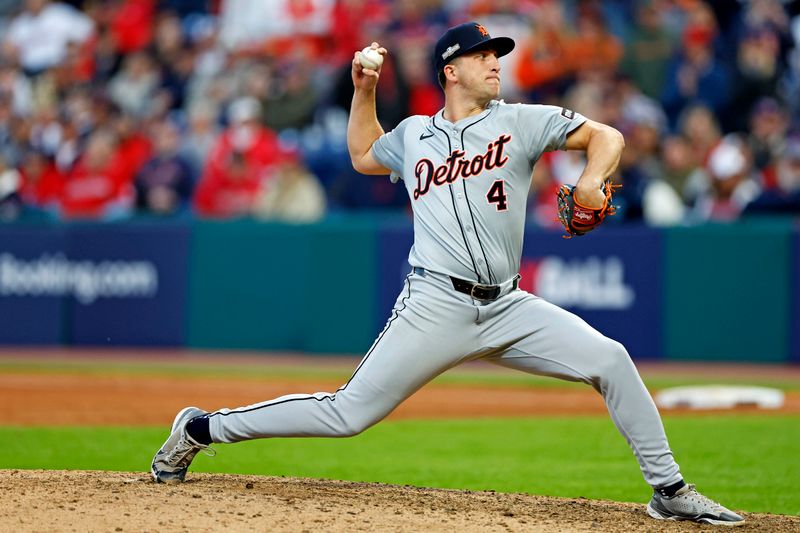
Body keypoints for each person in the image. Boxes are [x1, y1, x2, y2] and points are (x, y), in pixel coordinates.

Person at [151, 22, 744, 526]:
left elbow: (606, 136)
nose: (495, 64)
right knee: (347, 414)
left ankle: (668, 493)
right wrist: (365, 89)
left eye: (498, 56)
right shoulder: (413, 135)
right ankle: (203, 427)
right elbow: (363, 155)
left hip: (509, 306)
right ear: (450, 70)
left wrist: (592, 179)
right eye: (483, 56)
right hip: (435, 304)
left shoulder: (522, 121)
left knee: (610, 358)